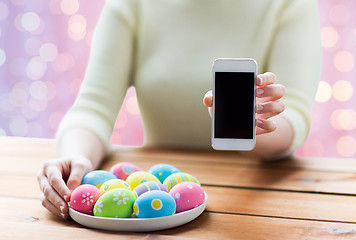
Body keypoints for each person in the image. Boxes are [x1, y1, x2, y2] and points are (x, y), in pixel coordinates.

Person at [37, 0, 321, 219]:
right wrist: (77, 157)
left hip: (261, 203)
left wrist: (247, 128)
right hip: (157, 212)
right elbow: (93, 107)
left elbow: (293, 116)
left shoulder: (289, 4)